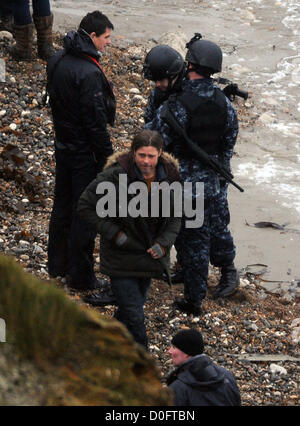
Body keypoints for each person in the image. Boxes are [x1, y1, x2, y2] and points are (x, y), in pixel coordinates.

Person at [145, 38, 240, 315]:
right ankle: (195, 292)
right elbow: (229, 141)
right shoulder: (223, 102)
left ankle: (197, 281)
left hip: (180, 186)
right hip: (210, 184)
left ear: (188, 65)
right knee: (201, 237)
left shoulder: (176, 103)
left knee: (180, 235)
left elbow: (152, 137)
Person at [77, 129, 182, 348]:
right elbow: (85, 206)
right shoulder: (115, 175)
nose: (146, 161)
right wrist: (114, 233)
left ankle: (100, 342)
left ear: (160, 154)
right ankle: (144, 362)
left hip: (150, 256)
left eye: (151, 156)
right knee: (135, 316)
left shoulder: (170, 177)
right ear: (134, 153)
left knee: (129, 310)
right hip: (120, 256)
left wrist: (164, 243)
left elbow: (176, 217)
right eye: (141, 155)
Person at [47, 11, 116, 291]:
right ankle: (82, 276)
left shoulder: (57, 59)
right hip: (83, 154)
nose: (109, 43)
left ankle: (57, 264)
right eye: (107, 38)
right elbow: (95, 122)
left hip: (63, 146)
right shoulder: (88, 72)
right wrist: (107, 157)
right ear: (92, 37)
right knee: (85, 213)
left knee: (61, 206)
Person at [167, 328, 241, 406]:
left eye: (174, 347)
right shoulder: (228, 377)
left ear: (186, 352)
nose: (169, 351)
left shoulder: (178, 388)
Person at [143, 44, 186, 124]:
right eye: (155, 81)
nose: (157, 84)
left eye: (160, 80)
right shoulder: (158, 93)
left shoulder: (190, 93)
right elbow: (149, 120)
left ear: (173, 76)